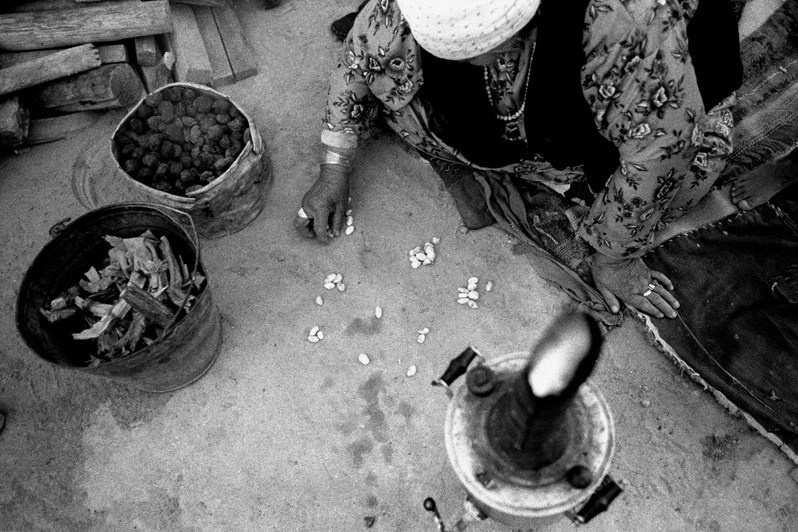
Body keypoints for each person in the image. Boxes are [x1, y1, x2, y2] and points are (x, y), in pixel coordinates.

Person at [294, 0, 743, 320]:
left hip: (627, 102)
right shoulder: (413, 10)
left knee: (682, 179)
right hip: (530, 93)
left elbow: (660, 151)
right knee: (401, 100)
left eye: (479, 51)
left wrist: (614, 257)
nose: (473, 61)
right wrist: (334, 166)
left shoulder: (623, 24)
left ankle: (570, 184)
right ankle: (514, 157)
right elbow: (359, 59)